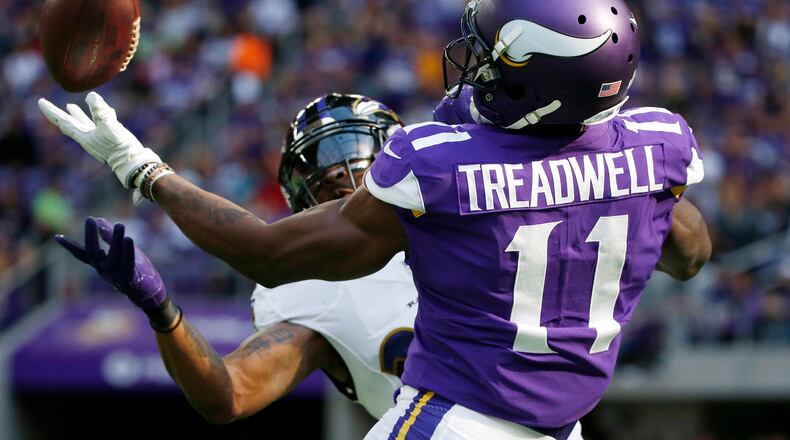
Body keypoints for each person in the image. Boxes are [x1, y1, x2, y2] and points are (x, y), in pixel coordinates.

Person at [39, 0, 712, 438]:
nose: (340, 175)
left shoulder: (441, 171)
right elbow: (688, 253)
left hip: (454, 420)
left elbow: (268, 252)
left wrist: (143, 169)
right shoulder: (657, 149)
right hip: (565, 424)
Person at [54, 94, 419, 423]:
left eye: (347, 149)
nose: (333, 172)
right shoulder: (312, 287)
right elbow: (230, 393)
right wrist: (162, 311)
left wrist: (140, 166)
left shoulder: (448, 205)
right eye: (313, 167)